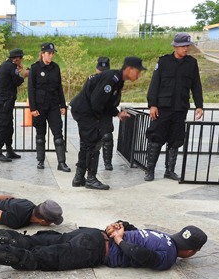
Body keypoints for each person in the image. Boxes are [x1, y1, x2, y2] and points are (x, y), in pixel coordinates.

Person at [0, 220, 207, 276]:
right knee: (32, 258)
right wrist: (119, 239)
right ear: (191, 252)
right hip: (93, 251)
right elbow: (142, 255)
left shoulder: (162, 235)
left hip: (91, 234)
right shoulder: (170, 256)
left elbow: (131, 228)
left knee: (31, 241)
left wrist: (117, 226)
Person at [69, 57, 146, 190]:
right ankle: (90, 179)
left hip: (86, 110)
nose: (138, 75)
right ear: (129, 69)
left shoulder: (118, 80)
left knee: (87, 145)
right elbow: (96, 103)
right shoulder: (111, 79)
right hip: (85, 111)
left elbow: (107, 102)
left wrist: (117, 113)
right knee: (93, 143)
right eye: (138, 72)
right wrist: (98, 122)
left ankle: (79, 177)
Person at [144, 32, 203, 182]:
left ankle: (169, 171)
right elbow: (154, 84)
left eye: (187, 46)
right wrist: (152, 105)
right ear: (175, 47)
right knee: (156, 138)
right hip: (162, 108)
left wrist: (199, 105)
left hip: (180, 108)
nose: (186, 49)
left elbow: (196, 85)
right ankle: (150, 170)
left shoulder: (191, 63)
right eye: (183, 46)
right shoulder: (164, 62)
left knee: (175, 140)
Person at [27, 42, 70, 172]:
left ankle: (61, 163)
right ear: (42, 54)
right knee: (40, 136)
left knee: (58, 135)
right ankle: (40, 161)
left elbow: (59, 87)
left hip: (53, 106)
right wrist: (33, 108)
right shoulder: (35, 68)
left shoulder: (56, 68)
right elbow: (31, 89)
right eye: (49, 53)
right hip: (39, 107)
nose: (51, 56)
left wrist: (63, 105)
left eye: (52, 53)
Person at [0, 48, 27, 162]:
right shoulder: (11, 67)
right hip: (4, 101)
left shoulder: (4, 66)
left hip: (3, 101)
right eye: (21, 58)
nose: (21, 61)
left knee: (9, 126)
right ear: (16, 59)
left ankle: (9, 150)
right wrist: (24, 75)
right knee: (4, 126)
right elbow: (17, 82)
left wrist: (17, 71)